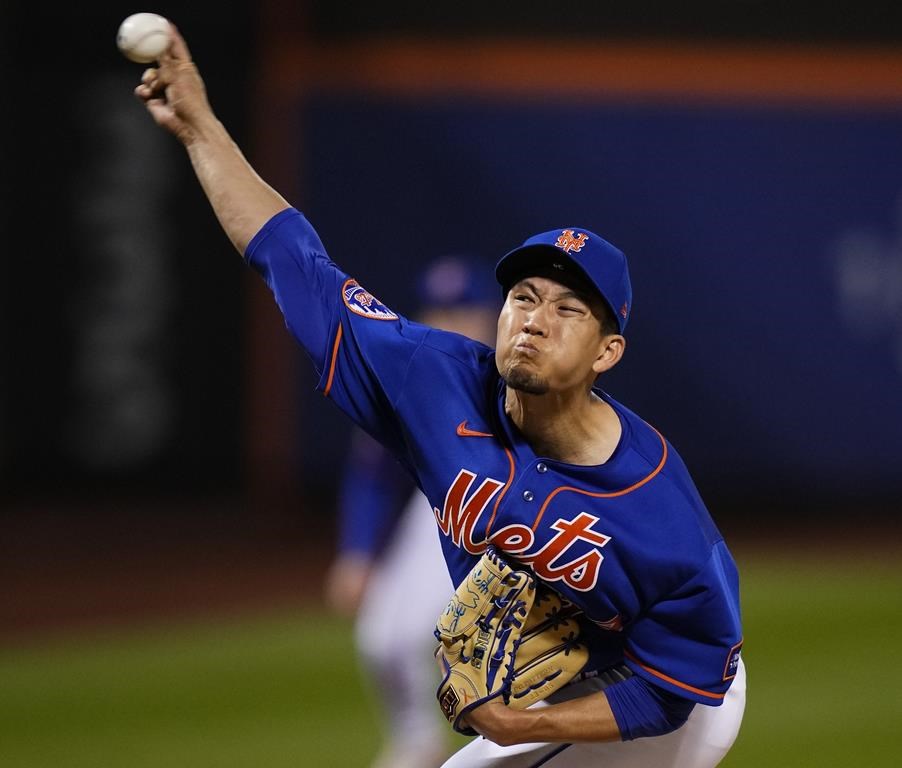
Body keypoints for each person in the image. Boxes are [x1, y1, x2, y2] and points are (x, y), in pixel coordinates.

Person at [135, 27, 746, 768]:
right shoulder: (431, 376)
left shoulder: (662, 520)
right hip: (558, 696)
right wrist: (202, 127)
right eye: (524, 295)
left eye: (569, 310)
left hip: (662, 700)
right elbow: (291, 259)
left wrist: (516, 726)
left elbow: (674, 688)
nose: (534, 320)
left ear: (607, 352)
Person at [324, 257, 498, 768]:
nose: (450, 321)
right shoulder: (409, 381)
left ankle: (487, 737)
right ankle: (418, 740)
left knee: (434, 632)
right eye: (439, 310)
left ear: (489, 316)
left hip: (506, 513)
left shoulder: (510, 377)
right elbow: (373, 474)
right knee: (380, 638)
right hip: (438, 508)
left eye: (462, 309)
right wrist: (357, 551)